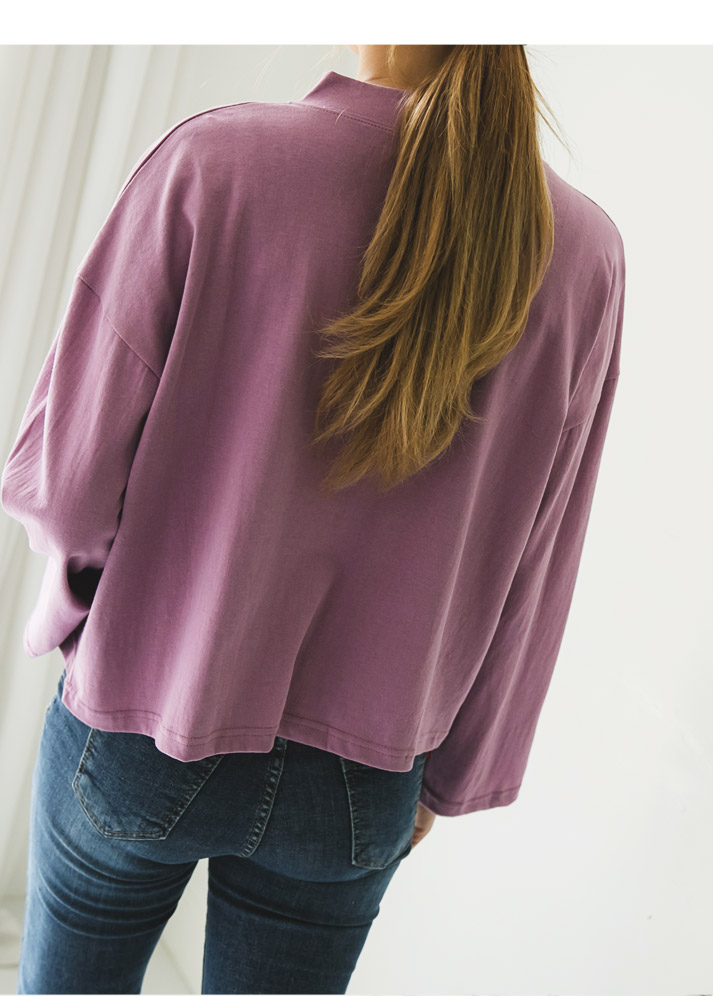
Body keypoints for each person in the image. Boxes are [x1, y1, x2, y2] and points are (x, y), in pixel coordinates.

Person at [3, 44, 624, 994]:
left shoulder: (215, 161)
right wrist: (452, 774)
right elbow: (539, 558)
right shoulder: (584, 255)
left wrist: (82, 621)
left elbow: (67, 482)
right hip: (363, 782)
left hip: (145, 719)